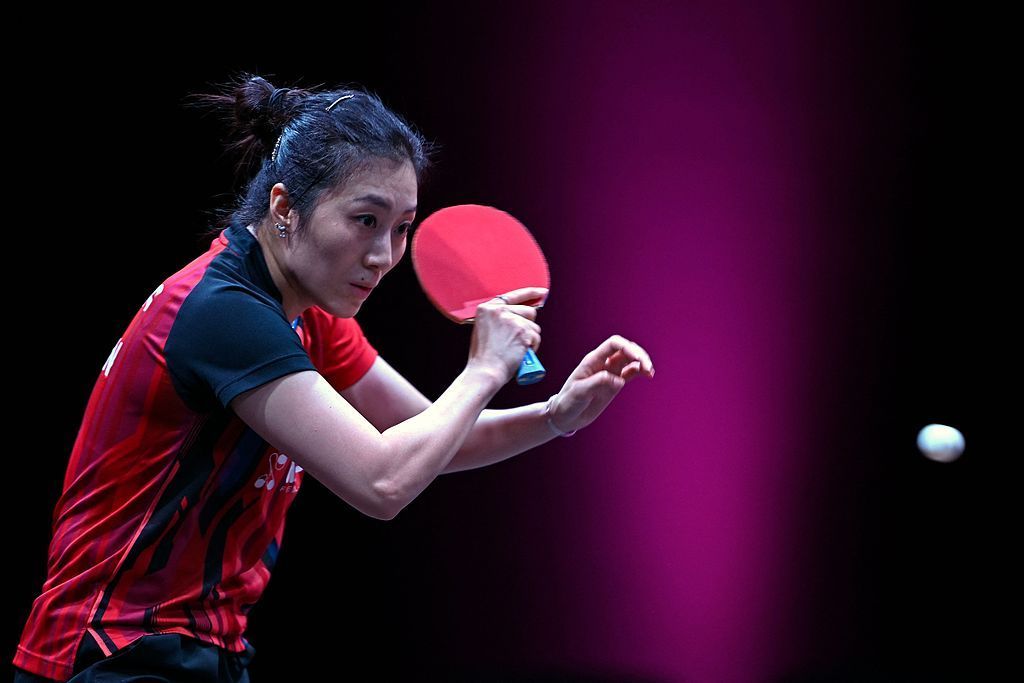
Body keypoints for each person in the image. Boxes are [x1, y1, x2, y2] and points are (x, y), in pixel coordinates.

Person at [12, 73, 655, 682]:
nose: (383, 256)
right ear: (285, 207)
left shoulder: (308, 313)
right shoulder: (225, 313)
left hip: (204, 644)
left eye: (401, 229)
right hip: (111, 646)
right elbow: (381, 482)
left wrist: (554, 416)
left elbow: (427, 436)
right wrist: (485, 369)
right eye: (365, 221)